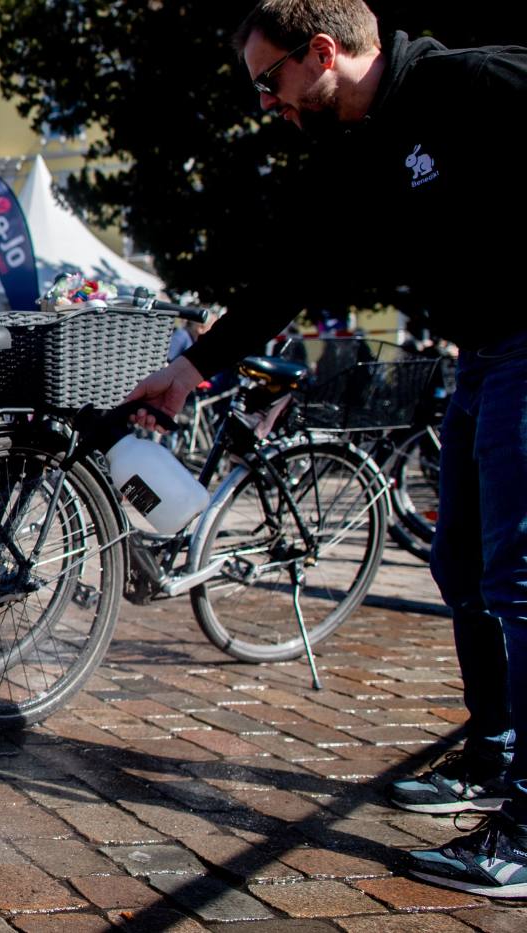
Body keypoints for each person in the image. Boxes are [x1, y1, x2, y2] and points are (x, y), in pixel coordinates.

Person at [126, 0, 527, 897]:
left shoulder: (473, 81)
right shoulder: (364, 146)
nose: (267, 103)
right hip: (483, 356)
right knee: (460, 566)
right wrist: (193, 366)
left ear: (323, 51)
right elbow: (296, 268)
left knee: (518, 579)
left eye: (271, 82)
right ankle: (493, 758)